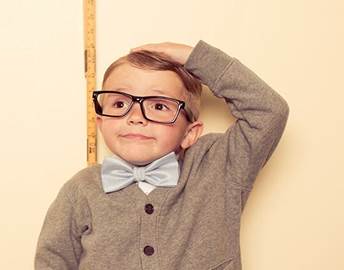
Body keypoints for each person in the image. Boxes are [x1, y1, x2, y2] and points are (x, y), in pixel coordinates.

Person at [34, 40, 289, 270]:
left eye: (158, 106)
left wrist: (196, 58)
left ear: (190, 132)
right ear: (101, 123)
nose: (135, 117)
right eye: (120, 104)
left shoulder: (219, 166)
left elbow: (269, 112)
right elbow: (52, 262)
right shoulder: (80, 190)